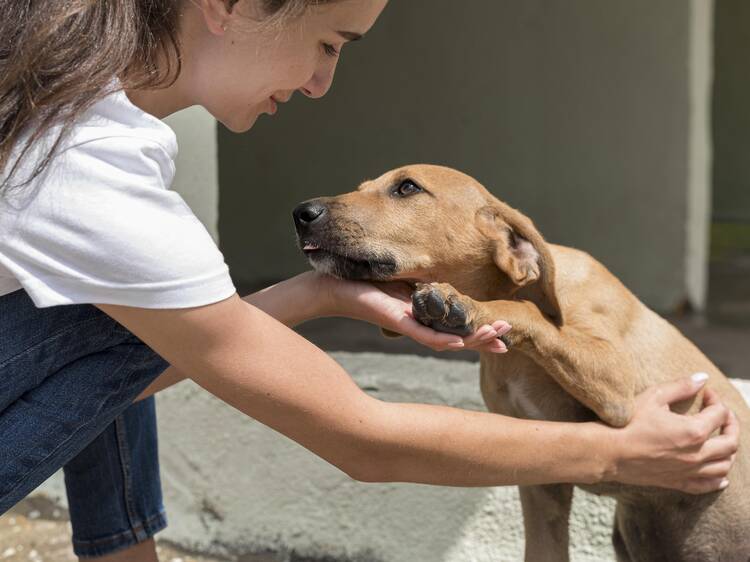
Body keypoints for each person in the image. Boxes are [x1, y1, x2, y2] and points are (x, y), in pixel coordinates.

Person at [0, 1, 738, 561]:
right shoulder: (92, 168)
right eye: (327, 44)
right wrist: (620, 454)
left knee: (141, 312)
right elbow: (364, 440)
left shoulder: (72, 108)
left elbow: (185, 342)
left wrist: (324, 293)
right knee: (138, 311)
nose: (323, 84)